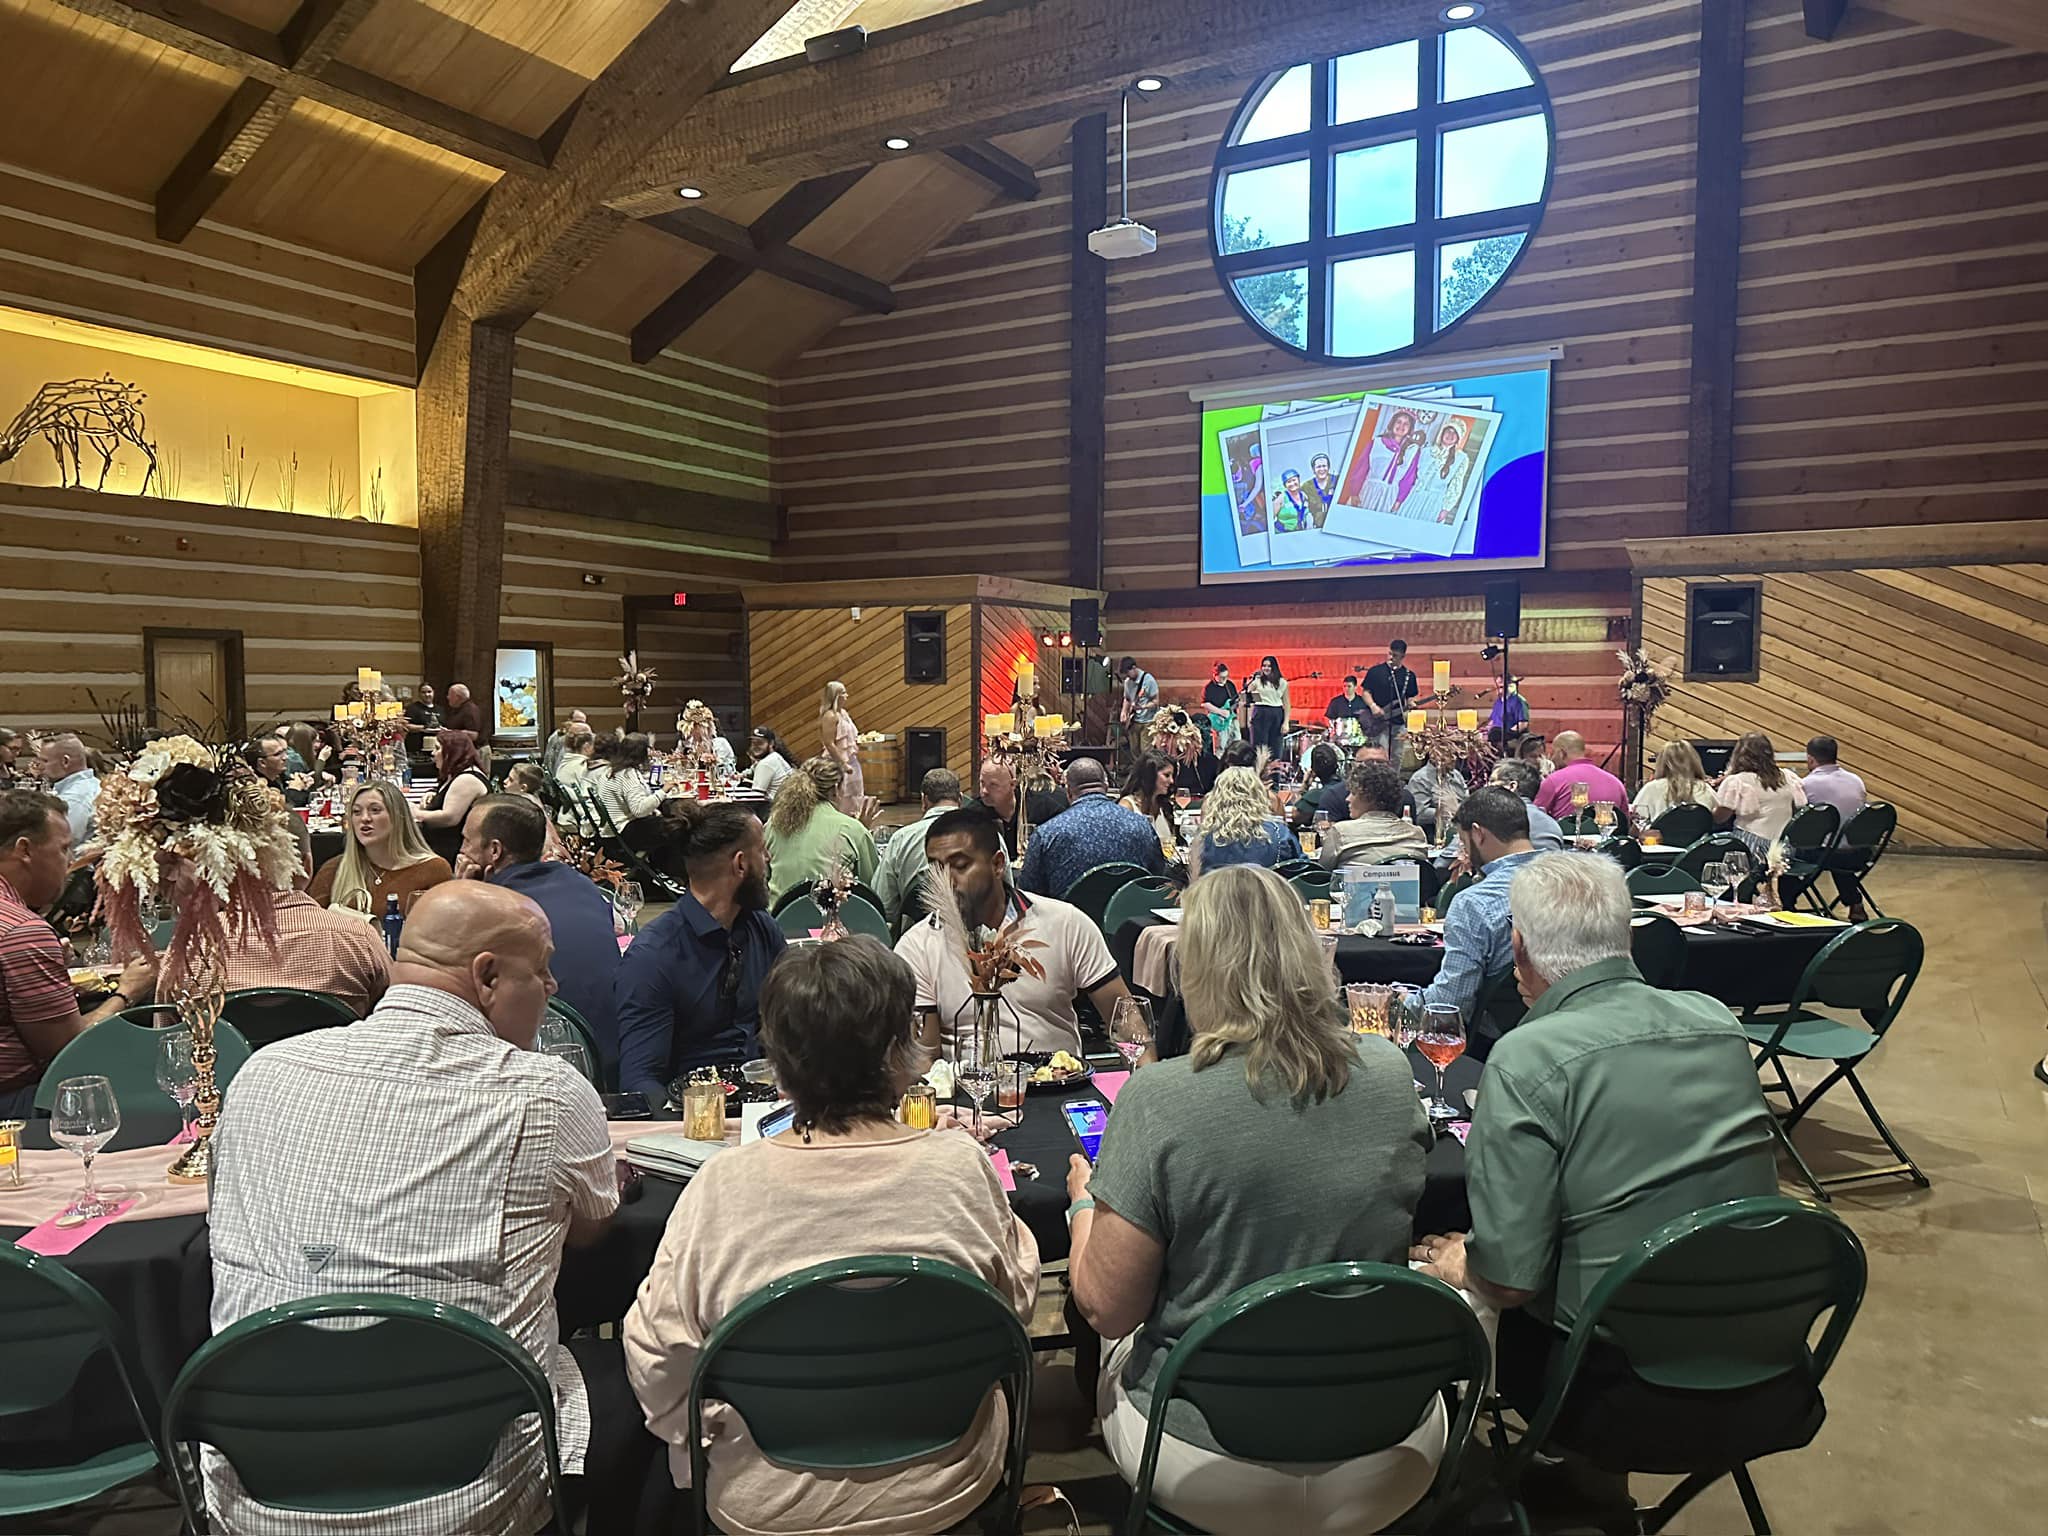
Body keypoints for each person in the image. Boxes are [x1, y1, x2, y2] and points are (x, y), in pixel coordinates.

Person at [206, 881, 645, 1536]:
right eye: (542, 968)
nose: (553, 985)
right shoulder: (546, 1092)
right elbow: (588, 1232)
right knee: (646, 1365)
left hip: (253, 1495)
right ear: (488, 976)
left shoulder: (263, 1071)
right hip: (475, 1501)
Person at [1068, 865, 1441, 1533]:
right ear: (1308, 952)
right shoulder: (1389, 1071)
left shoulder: (1158, 1099)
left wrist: (1082, 1210)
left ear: (1196, 969)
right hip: (1388, 1442)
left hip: (1211, 1456)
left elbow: (1106, 1308)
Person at [626, 938, 1038, 1535]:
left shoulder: (721, 1184)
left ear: (779, 1062)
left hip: (764, 1498)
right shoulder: (962, 1166)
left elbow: (658, 1358)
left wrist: (705, 1436)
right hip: (946, 1483)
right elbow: (1018, 1306)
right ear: (901, 1052)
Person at [1412, 853, 1778, 1453]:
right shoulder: (1715, 1019)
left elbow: (1509, 1281)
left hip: (1610, 1379)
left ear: (1519, 949)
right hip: (1763, 1346)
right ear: (1627, 937)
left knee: (1438, 1279)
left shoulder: (1527, 1054)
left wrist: (1461, 1260)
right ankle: (1595, 1491)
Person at [898, 807, 1132, 1057]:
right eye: (936, 869)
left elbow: (1126, 1020)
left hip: (1058, 1082)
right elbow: (924, 1054)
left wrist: (1143, 1084)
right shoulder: (918, 945)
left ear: (998, 864)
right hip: (966, 1090)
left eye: (960, 866)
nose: (946, 880)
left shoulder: (1065, 923)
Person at [613, 801, 786, 1106]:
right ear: (741, 864)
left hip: (764, 1102)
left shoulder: (761, 928)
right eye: (763, 850)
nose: (769, 859)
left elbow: (793, 1021)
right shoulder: (653, 958)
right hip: (692, 1116)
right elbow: (641, 1082)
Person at [0, 790, 159, 1116]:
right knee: (152, 1091)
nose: (70, 861)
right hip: (14, 1102)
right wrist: (128, 992)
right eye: (63, 849)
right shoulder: (22, 931)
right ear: (25, 850)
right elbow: (64, 1048)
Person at [461, 794, 620, 1077]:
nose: (461, 851)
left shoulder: (490, 908)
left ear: (494, 851)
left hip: (548, 1061)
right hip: (615, 1051)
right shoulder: (583, 885)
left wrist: (459, 893)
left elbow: (448, 987)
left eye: (467, 842)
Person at [1423, 787, 1539, 1027]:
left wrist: (1396, 1001)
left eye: (1464, 842)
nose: (1464, 852)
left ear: (1478, 834)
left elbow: (1450, 1006)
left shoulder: (1474, 904)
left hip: (1493, 1041)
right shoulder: (1581, 882)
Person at [220, 860, 390, 1017]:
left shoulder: (197, 943)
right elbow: (392, 1004)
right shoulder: (359, 936)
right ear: (306, 866)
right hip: (334, 1049)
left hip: (227, 1050)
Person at [1019, 756, 1164, 898]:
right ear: (1106, 787)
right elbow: (1157, 878)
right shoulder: (1142, 826)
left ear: (1068, 792)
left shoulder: (1047, 834)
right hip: (1128, 918)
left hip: (1069, 920)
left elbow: (1027, 894)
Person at [307, 781, 453, 912]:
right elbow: (311, 924)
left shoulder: (433, 869)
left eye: (375, 810)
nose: (364, 818)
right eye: (356, 812)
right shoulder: (335, 870)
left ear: (397, 817)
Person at [763, 755, 877, 906]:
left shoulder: (773, 824)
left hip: (779, 920)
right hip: (832, 920)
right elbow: (871, 889)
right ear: (836, 789)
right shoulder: (851, 829)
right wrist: (862, 831)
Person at [874, 768, 963, 928]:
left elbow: (883, 905)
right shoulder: (989, 836)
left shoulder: (901, 840)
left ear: (924, 800)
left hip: (913, 944)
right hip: (977, 948)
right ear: (960, 799)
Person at [1801, 736, 1870, 921]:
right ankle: (1855, 903)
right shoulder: (1856, 780)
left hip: (1829, 854)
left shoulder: (1807, 784)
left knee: (1788, 855)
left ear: (1810, 759)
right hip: (1861, 851)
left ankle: (1787, 903)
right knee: (1837, 848)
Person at [1318, 759, 1430, 872]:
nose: (1348, 799)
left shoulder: (1340, 832)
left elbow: (1323, 872)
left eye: (1353, 793)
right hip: (1408, 889)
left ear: (1368, 798)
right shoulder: (1417, 833)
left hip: (1356, 889)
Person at [1189, 766, 1301, 875]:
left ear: (1216, 797)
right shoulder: (1279, 833)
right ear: (1258, 794)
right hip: (1267, 892)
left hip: (1217, 893)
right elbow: (1305, 871)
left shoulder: (1203, 837)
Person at [1714, 732, 1808, 847]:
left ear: (1738, 754)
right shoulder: (1788, 776)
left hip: (1752, 845)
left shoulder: (1737, 781)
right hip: (1783, 848)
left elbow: (1720, 818)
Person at [964, 757, 1068, 859]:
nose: (984, 791)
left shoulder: (1043, 808)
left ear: (1013, 784)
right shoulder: (973, 815)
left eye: (993, 785)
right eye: (982, 783)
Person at [415, 728, 493, 858]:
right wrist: (431, 793)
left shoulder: (467, 779)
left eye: (437, 748)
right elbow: (444, 790)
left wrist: (416, 813)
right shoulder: (456, 772)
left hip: (452, 851)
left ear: (452, 752)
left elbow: (449, 818)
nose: (433, 753)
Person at [1534, 731, 1628, 822]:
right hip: (1609, 836)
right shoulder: (1616, 783)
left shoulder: (1553, 780)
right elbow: (1625, 822)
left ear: (1561, 753)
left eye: (1553, 753)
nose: (1552, 758)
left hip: (1566, 836)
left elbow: (1534, 817)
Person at [1630, 738, 1719, 824]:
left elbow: (1638, 822)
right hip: (1700, 839)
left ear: (1661, 762)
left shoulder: (1651, 788)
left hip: (1660, 839)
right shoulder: (1705, 789)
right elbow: (1718, 818)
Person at [1489, 759, 1568, 852]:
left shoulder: (1496, 820)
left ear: (1511, 786)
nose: (1487, 786)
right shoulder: (1550, 822)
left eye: (1492, 781)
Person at [1362, 640, 1418, 767]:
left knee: (1397, 757)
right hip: (1379, 721)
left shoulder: (1409, 676)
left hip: (1398, 723)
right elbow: (1365, 692)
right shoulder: (1376, 671)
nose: (1391, 658)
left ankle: (1393, 783)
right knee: (1381, 756)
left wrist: (1411, 704)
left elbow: (1410, 697)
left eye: (1396, 656)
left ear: (1403, 657)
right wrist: (1373, 706)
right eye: (1390, 654)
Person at [591, 733, 664, 829]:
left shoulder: (612, 769)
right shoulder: (627, 774)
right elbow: (639, 810)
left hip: (612, 826)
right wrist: (663, 791)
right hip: (622, 828)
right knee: (679, 825)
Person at [35, 733, 98, 843]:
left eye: (45, 761)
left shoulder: (75, 798)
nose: (40, 767)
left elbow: (61, 844)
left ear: (65, 761)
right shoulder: (93, 784)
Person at [820, 680, 867, 818]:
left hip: (852, 759)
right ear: (836, 696)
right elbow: (829, 743)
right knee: (842, 795)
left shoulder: (844, 713)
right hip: (838, 762)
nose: (846, 696)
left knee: (856, 794)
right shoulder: (830, 716)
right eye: (843, 693)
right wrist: (842, 763)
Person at [1117, 752, 1178, 854]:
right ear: (1150, 776)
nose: (1171, 781)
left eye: (1172, 776)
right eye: (1166, 775)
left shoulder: (1163, 806)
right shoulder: (1127, 807)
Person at [1409, 756, 1468, 840]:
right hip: (1432, 834)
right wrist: (1442, 811)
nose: (1454, 758)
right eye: (1449, 754)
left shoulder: (1457, 775)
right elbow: (1418, 814)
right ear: (1434, 756)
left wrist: (1456, 809)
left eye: (1455, 754)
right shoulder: (1419, 779)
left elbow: (1466, 802)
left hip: (1460, 828)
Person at [245, 732, 309, 808]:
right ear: (262, 762)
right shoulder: (255, 787)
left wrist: (304, 785)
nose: (285, 757)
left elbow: (305, 801)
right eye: (278, 754)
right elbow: (283, 809)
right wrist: (294, 790)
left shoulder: (281, 778)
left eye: (284, 752)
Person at [1244, 655, 1290, 758]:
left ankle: (1274, 772)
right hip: (1260, 712)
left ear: (1274, 667)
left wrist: (1286, 722)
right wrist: (1251, 680)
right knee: (1259, 747)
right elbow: (1247, 694)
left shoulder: (1282, 682)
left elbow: (1287, 703)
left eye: (1269, 666)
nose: (1266, 668)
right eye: (1264, 666)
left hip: (1276, 712)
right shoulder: (1258, 681)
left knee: (1275, 748)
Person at [1293, 741, 1345, 826]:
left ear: (1313, 770)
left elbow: (1296, 816)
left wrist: (1304, 786)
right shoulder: (1349, 789)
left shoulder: (1316, 795)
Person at [677, 703, 736, 777]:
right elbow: (685, 772)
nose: (691, 733)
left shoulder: (720, 743)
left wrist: (714, 762)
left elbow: (727, 772)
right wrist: (681, 761)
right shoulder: (689, 745)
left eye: (695, 728)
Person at [1119, 656, 1161, 758]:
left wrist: (1143, 707)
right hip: (1134, 719)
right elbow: (1127, 698)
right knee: (1134, 749)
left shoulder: (1149, 680)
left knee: (1145, 750)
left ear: (1134, 668)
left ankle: (1146, 771)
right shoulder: (1128, 682)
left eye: (1128, 672)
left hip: (1148, 720)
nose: (1127, 676)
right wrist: (1124, 712)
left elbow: (1156, 701)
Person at [1323, 673, 1369, 749]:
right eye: (1344, 686)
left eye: (1349, 686)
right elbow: (1328, 717)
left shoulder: (1362, 702)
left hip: (1358, 738)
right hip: (1339, 739)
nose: (1346, 689)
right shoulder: (1336, 702)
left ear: (1355, 687)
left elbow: (1368, 719)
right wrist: (1332, 729)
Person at [746, 726, 794, 797]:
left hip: (773, 806)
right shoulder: (776, 756)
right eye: (753, 743)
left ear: (771, 743)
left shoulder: (765, 764)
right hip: (785, 804)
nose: (755, 746)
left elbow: (755, 797)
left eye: (760, 743)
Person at [1202, 661, 1240, 747]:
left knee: (1237, 744)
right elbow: (1205, 704)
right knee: (1221, 746)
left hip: (1232, 719)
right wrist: (1221, 712)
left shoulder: (1230, 685)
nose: (1225, 679)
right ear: (1215, 675)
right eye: (1222, 677)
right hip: (1219, 721)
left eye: (1226, 677)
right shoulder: (1209, 687)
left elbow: (1235, 701)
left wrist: (1239, 703)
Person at [542, 709, 589, 778]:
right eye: (577, 722)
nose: (580, 725)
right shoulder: (559, 736)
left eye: (583, 722)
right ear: (569, 720)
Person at [440, 680, 487, 745]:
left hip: (476, 750)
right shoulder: (458, 709)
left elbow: (474, 735)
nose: (447, 697)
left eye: (449, 695)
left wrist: (450, 733)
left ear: (457, 697)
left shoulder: (470, 710)